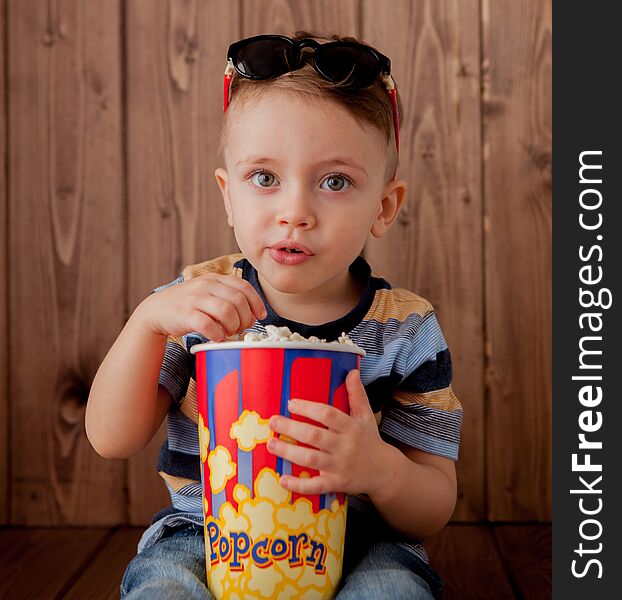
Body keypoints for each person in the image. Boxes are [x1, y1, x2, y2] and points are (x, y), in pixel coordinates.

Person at [86, 30, 463, 600]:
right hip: (208, 533)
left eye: (334, 182)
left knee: (394, 589)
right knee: (163, 586)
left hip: (360, 539)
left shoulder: (405, 328)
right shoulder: (196, 302)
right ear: (228, 196)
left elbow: (433, 504)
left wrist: (378, 470)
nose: (294, 212)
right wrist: (145, 322)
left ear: (383, 207)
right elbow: (112, 438)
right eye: (264, 178)